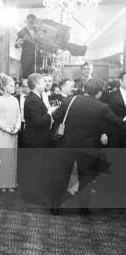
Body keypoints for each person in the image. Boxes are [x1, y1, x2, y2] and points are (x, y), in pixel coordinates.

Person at [52, 78, 126, 214]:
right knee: (85, 178)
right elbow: (118, 123)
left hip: (66, 144)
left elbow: (55, 116)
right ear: (98, 92)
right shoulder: (102, 107)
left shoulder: (69, 101)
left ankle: (55, 206)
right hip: (88, 147)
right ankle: (83, 209)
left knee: (62, 176)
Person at [19, 73, 54, 205]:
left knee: (35, 166)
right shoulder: (33, 99)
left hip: (38, 138)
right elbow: (39, 121)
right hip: (35, 139)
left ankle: (31, 193)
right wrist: (50, 112)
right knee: (33, 167)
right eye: (43, 82)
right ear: (37, 84)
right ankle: (30, 195)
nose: (45, 84)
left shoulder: (36, 97)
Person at [0, 75, 21, 191]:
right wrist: (5, 128)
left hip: (13, 132)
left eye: (14, 85)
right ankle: (1, 183)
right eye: (10, 85)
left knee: (11, 157)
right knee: (2, 156)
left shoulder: (15, 100)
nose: (13, 87)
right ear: (4, 87)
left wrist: (17, 127)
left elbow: (18, 115)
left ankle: (10, 183)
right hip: (2, 132)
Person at [101, 71, 126, 147]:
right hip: (115, 133)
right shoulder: (110, 96)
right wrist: (103, 133)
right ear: (120, 81)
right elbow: (103, 116)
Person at [15, 13, 42, 78]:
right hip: (26, 59)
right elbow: (16, 46)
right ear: (26, 22)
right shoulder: (21, 32)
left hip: (38, 58)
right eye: (29, 22)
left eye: (33, 22)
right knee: (27, 77)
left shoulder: (39, 31)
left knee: (38, 77)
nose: (31, 24)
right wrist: (18, 43)